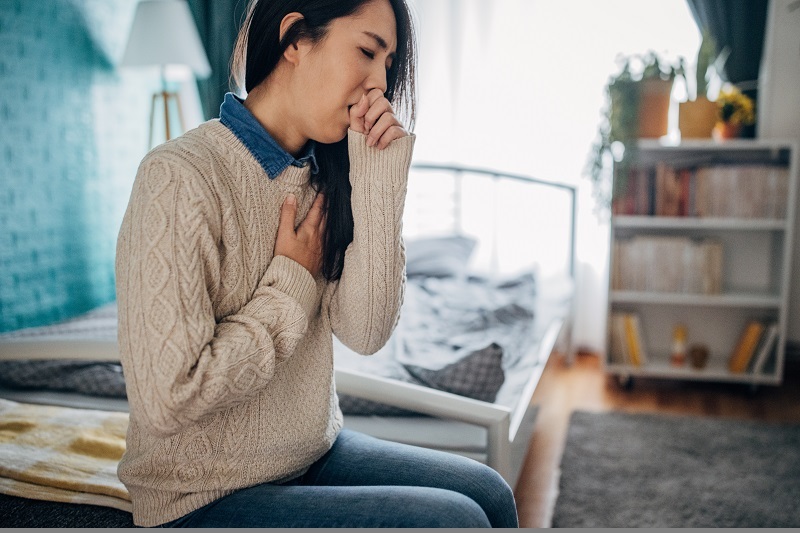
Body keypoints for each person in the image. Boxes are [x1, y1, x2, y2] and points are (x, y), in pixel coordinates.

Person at [114, 0, 519, 527]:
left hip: (309, 455)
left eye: (389, 66)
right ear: (296, 39)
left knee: (487, 491)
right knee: (451, 521)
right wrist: (290, 285)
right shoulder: (178, 177)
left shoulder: (322, 177)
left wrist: (377, 185)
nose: (380, 85)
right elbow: (167, 400)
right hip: (201, 493)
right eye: (368, 52)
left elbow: (366, 331)